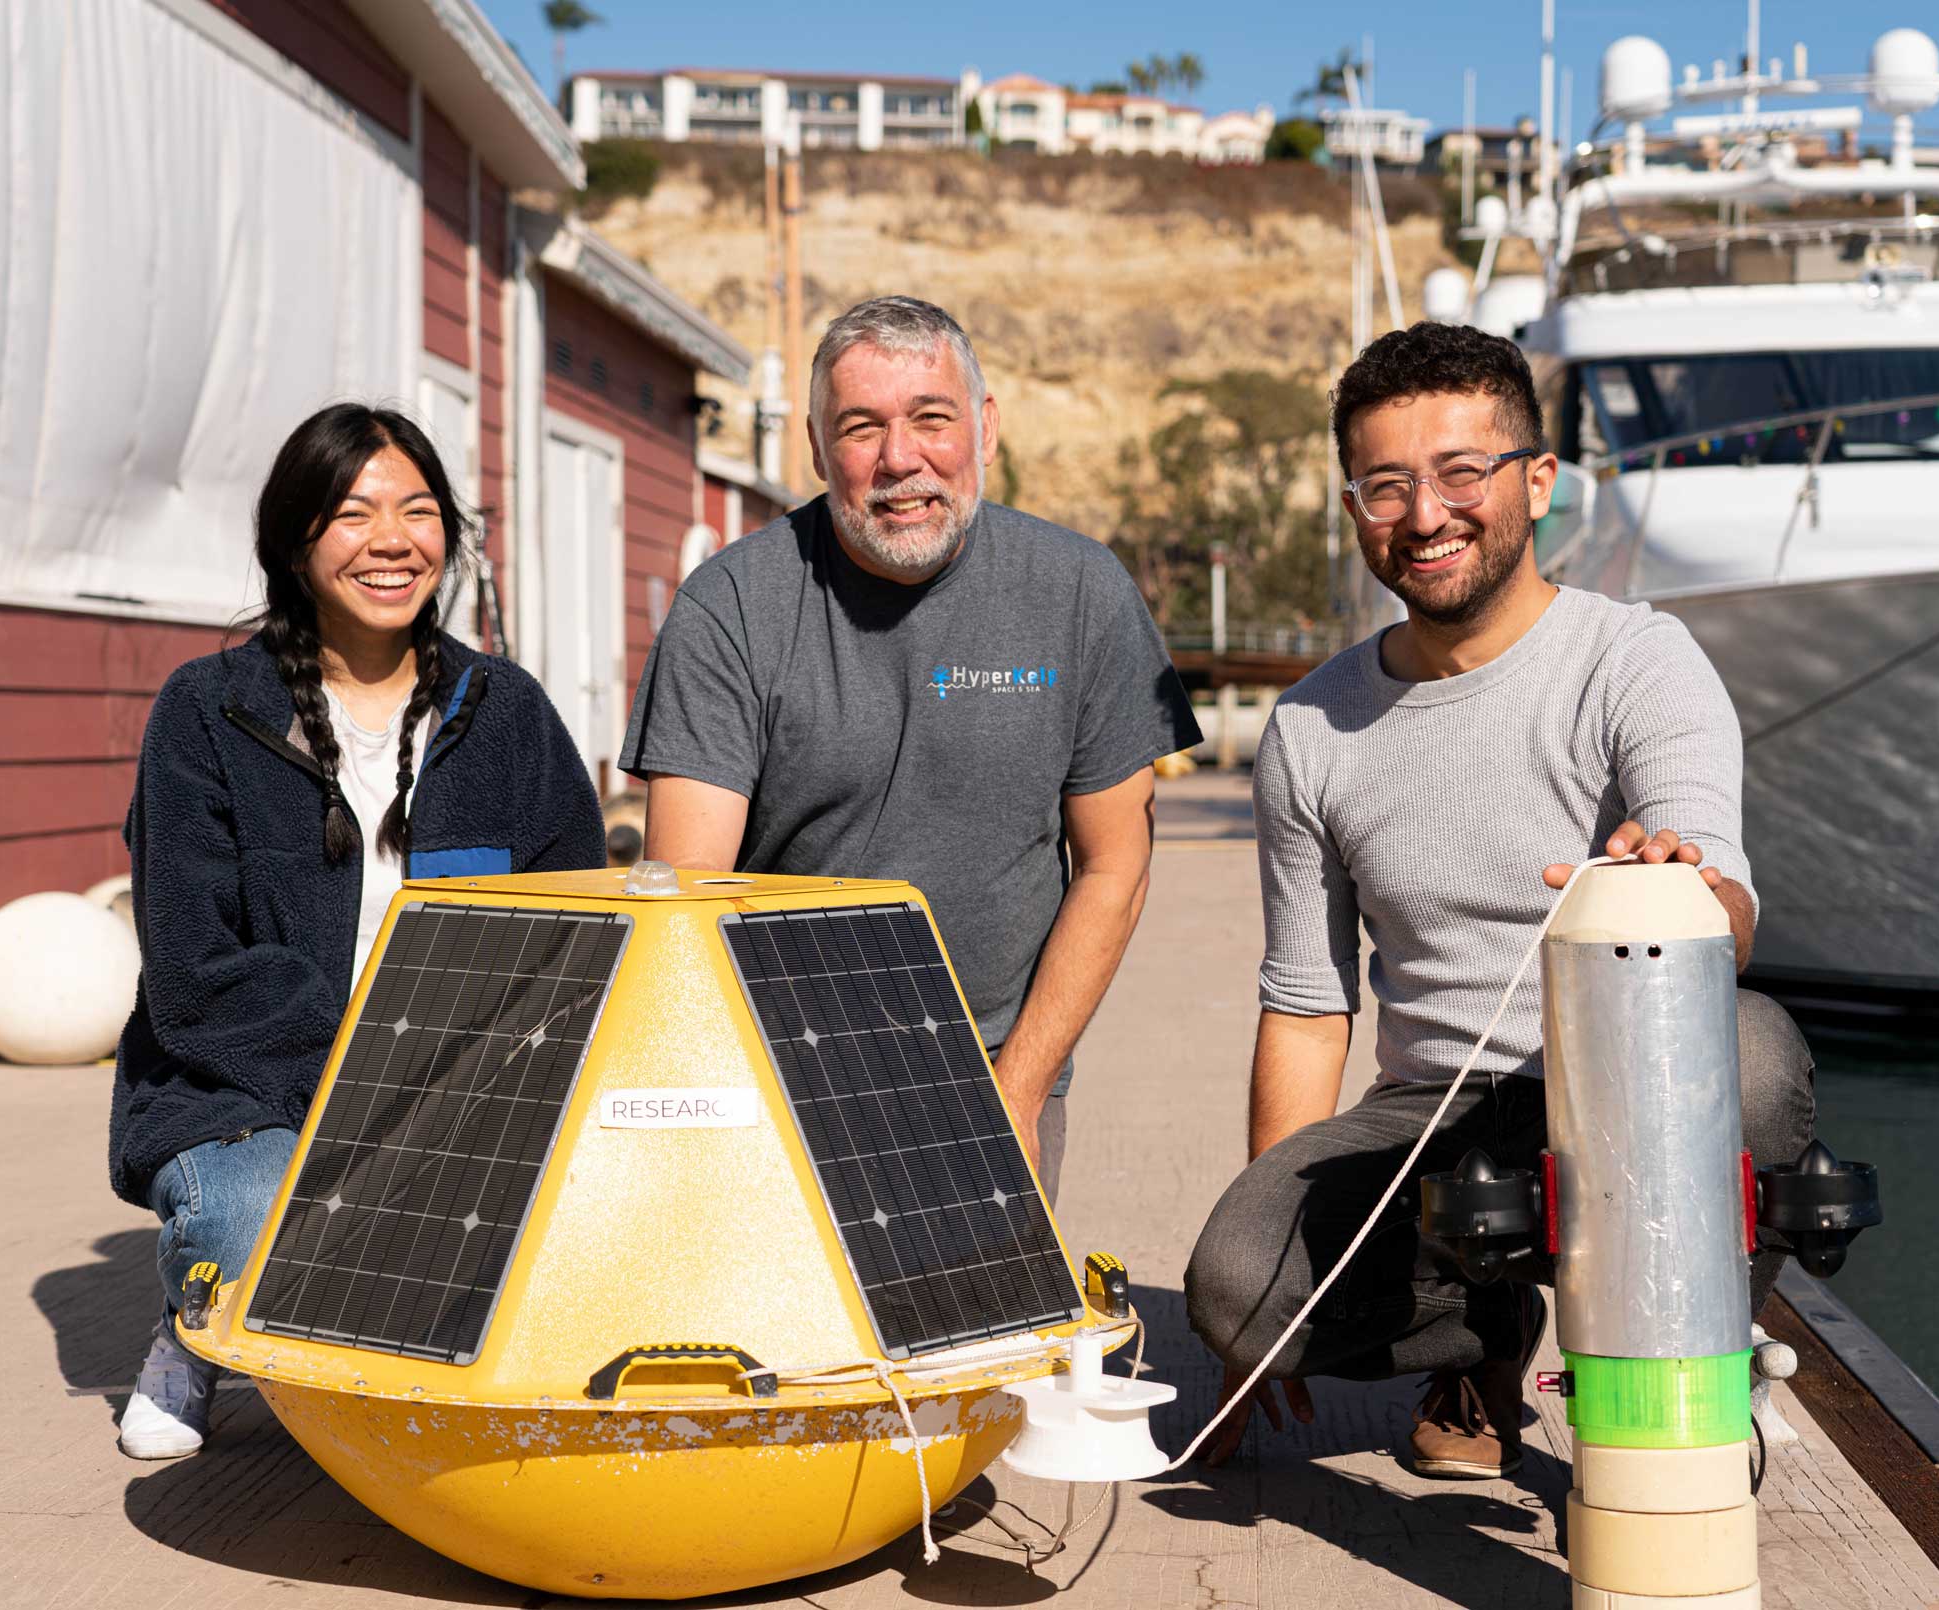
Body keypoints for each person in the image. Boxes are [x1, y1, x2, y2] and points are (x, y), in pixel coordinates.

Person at [1182, 323, 1816, 1480]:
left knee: (1752, 1048)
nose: (1425, 514)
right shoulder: (1312, 728)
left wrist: (1679, 878)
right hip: (1428, 1115)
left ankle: (1686, 1365)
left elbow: (1728, 912)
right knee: (1234, 1286)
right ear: (1354, 506)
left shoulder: (1638, 658)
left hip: (1623, 1071)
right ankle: (1486, 1336)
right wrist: (1267, 1296)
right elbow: (1306, 1002)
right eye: (1386, 484)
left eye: (1461, 472)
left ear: (1535, 480)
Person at [618, 296, 1203, 1200]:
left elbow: (1113, 871)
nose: (901, 459)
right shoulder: (729, 608)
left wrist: (1017, 1093)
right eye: (861, 427)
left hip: (999, 1065)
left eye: (931, 418)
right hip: (780, 1076)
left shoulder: (1080, 593)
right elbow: (686, 899)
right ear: (816, 449)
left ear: (985, 427)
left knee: (980, 1340)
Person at [106, 403, 605, 1460]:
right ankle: (195, 1331)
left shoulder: (504, 710)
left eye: (418, 510)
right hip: (253, 1084)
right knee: (252, 1225)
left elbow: (577, 926)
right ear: (294, 541)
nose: (393, 540)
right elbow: (193, 967)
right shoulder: (208, 712)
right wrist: (365, 1071)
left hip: (469, 1078)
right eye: (353, 512)